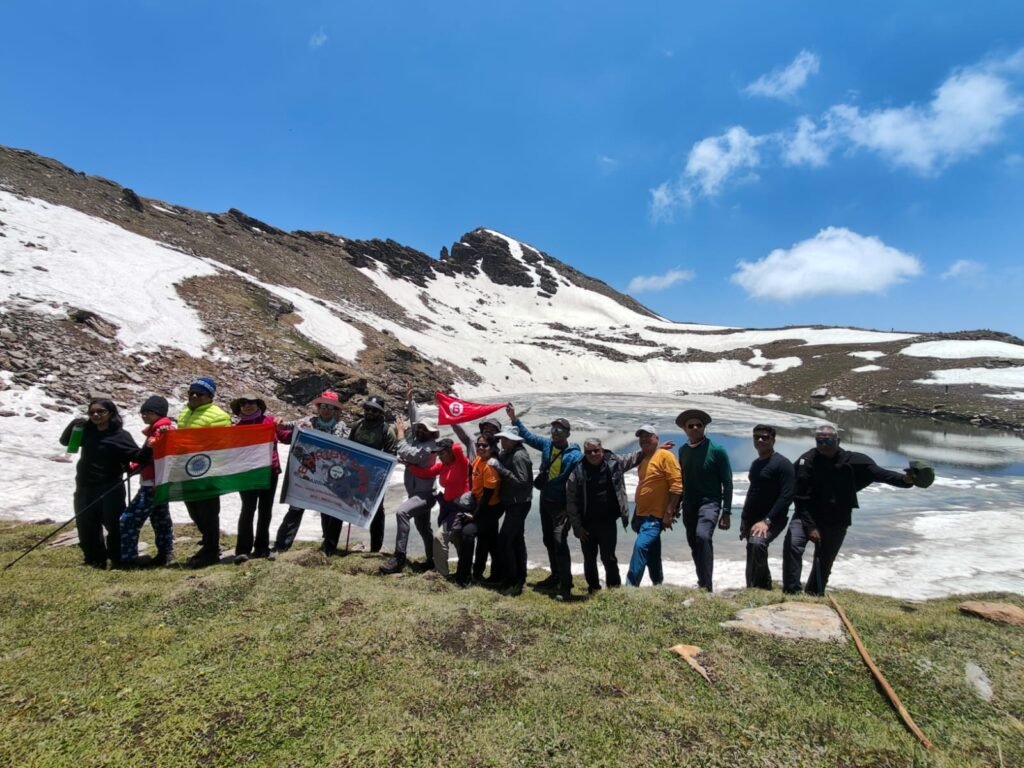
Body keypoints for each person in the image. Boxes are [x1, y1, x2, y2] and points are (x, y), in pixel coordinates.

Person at [783, 425, 916, 595]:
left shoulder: (854, 461)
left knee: (824, 559)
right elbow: (798, 495)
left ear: (837, 441)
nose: (823, 444)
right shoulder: (806, 461)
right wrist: (810, 526)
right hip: (806, 515)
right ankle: (791, 591)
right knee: (793, 545)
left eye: (828, 440)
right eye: (820, 440)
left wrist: (906, 480)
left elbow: (882, 474)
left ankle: (814, 594)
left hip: (837, 519)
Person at [508, 404, 582, 601]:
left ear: (567, 434)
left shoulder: (574, 456)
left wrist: (568, 508)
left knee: (559, 541)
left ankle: (566, 585)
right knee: (548, 540)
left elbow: (578, 485)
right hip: (545, 501)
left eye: (560, 430)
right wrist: (514, 419)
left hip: (561, 507)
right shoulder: (547, 445)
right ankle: (555, 575)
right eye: (554, 429)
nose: (555, 433)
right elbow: (528, 437)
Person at [59, 397, 140, 569]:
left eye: (100, 411)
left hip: (110, 487)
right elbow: (65, 441)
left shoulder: (120, 435)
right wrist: (75, 423)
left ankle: (118, 559)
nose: (96, 415)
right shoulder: (87, 431)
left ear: (111, 413)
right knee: (86, 525)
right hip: (84, 486)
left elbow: (136, 456)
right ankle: (94, 560)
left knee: (114, 525)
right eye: (92, 412)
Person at [273, 390, 348, 554]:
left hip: (328, 474)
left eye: (330, 407)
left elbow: (341, 446)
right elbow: (285, 425)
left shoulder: (340, 427)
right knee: (296, 508)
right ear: (318, 408)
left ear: (336, 410)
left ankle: (328, 547)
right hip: (306, 473)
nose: (326, 410)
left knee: (327, 509)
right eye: (323, 406)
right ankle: (281, 546)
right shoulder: (307, 421)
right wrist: (278, 421)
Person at [379, 389, 440, 574]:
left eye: (424, 429)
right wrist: (410, 401)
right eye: (419, 429)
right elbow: (414, 421)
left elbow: (407, 453)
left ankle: (399, 557)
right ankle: (433, 560)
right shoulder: (419, 441)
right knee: (423, 527)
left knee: (402, 512)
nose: (420, 431)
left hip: (426, 495)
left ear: (432, 434)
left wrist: (399, 433)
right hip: (416, 494)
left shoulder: (428, 447)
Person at [676, 408, 733, 592]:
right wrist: (676, 505)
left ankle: (707, 586)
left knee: (703, 536)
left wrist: (727, 511)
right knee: (694, 542)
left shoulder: (717, 451)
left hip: (710, 503)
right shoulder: (683, 450)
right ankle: (702, 581)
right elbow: (682, 479)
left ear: (704, 427)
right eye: (690, 426)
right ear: (684, 429)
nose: (694, 428)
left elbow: (728, 482)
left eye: (698, 425)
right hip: (689, 504)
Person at [177, 377, 232, 567]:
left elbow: (220, 444)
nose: (193, 396)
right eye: (191, 393)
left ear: (209, 396)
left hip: (207, 471)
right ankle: (208, 543)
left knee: (208, 512)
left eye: (199, 394)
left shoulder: (219, 416)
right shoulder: (185, 412)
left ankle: (211, 549)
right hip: (185, 469)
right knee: (193, 510)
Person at [565, 438, 629, 593]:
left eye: (596, 450)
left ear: (602, 450)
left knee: (609, 558)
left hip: (608, 522)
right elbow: (571, 500)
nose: (593, 454)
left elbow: (633, 458)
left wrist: (653, 448)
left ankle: (614, 589)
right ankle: (593, 588)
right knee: (589, 558)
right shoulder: (578, 470)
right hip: (586, 524)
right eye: (588, 452)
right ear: (584, 453)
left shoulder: (613, 463)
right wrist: (577, 526)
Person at [230, 392, 286, 564]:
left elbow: (285, 437)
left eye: (252, 402)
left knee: (265, 510)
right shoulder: (237, 428)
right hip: (247, 474)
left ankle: (262, 547)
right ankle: (243, 549)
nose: (248, 405)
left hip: (269, 472)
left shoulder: (270, 423)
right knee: (248, 509)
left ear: (259, 405)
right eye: (243, 403)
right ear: (239, 407)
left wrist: (281, 426)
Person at [119, 395, 175, 567]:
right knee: (160, 519)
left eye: (149, 412)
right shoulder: (159, 429)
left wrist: (134, 466)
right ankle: (165, 554)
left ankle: (128, 558)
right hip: (160, 483)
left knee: (129, 520)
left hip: (152, 484)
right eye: (143, 412)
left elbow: (154, 456)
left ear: (159, 413)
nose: (144, 416)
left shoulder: (162, 430)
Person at [624, 425, 682, 587]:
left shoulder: (666, 456)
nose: (644, 440)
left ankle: (630, 587)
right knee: (652, 552)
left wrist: (669, 513)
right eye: (641, 437)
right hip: (642, 515)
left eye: (648, 436)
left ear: (656, 438)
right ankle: (658, 583)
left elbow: (676, 485)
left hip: (654, 516)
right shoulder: (645, 458)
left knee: (641, 547)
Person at [739, 425, 794, 590]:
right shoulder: (756, 464)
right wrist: (744, 520)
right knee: (752, 549)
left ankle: (760, 588)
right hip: (753, 519)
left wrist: (767, 520)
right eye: (757, 437)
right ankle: (754, 587)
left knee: (757, 543)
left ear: (773, 440)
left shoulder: (783, 464)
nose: (760, 440)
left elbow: (787, 496)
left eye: (765, 437)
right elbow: (752, 492)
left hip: (773, 518)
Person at [410, 435, 472, 577]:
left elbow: (458, 447)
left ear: (451, 452)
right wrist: (410, 467)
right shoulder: (443, 465)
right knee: (457, 541)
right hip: (447, 508)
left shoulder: (462, 463)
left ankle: (442, 574)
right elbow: (427, 473)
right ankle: (464, 572)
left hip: (460, 509)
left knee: (440, 537)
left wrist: (451, 418)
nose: (439, 456)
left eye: (442, 453)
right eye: (438, 454)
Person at [346, 395, 397, 552]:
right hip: (354, 473)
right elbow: (349, 447)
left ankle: (376, 547)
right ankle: (332, 543)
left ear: (380, 413)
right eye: (367, 409)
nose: (370, 412)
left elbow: (391, 456)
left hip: (375, 478)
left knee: (376, 511)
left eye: (374, 410)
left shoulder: (387, 431)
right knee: (344, 503)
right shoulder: (357, 426)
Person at [488, 425, 533, 596]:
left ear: (513, 440)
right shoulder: (509, 452)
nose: (502, 442)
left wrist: (500, 469)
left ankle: (512, 581)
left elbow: (522, 481)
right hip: (515, 502)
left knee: (505, 540)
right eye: (501, 439)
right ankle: (519, 577)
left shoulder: (518, 456)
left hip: (518, 503)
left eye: (505, 439)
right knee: (516, 540)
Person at [464, 432, 503, 585]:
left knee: (487, 542)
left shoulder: (491, 466)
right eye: (478, 445)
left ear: (493, 448)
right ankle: (481, 574)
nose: (480, 447)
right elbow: (471, 476)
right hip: (479, 505)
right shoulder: (479, 459)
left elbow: (487, 497)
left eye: (484, 445)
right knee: (487, 542)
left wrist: (475, 516)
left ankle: (494, 576)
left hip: (489, 509)